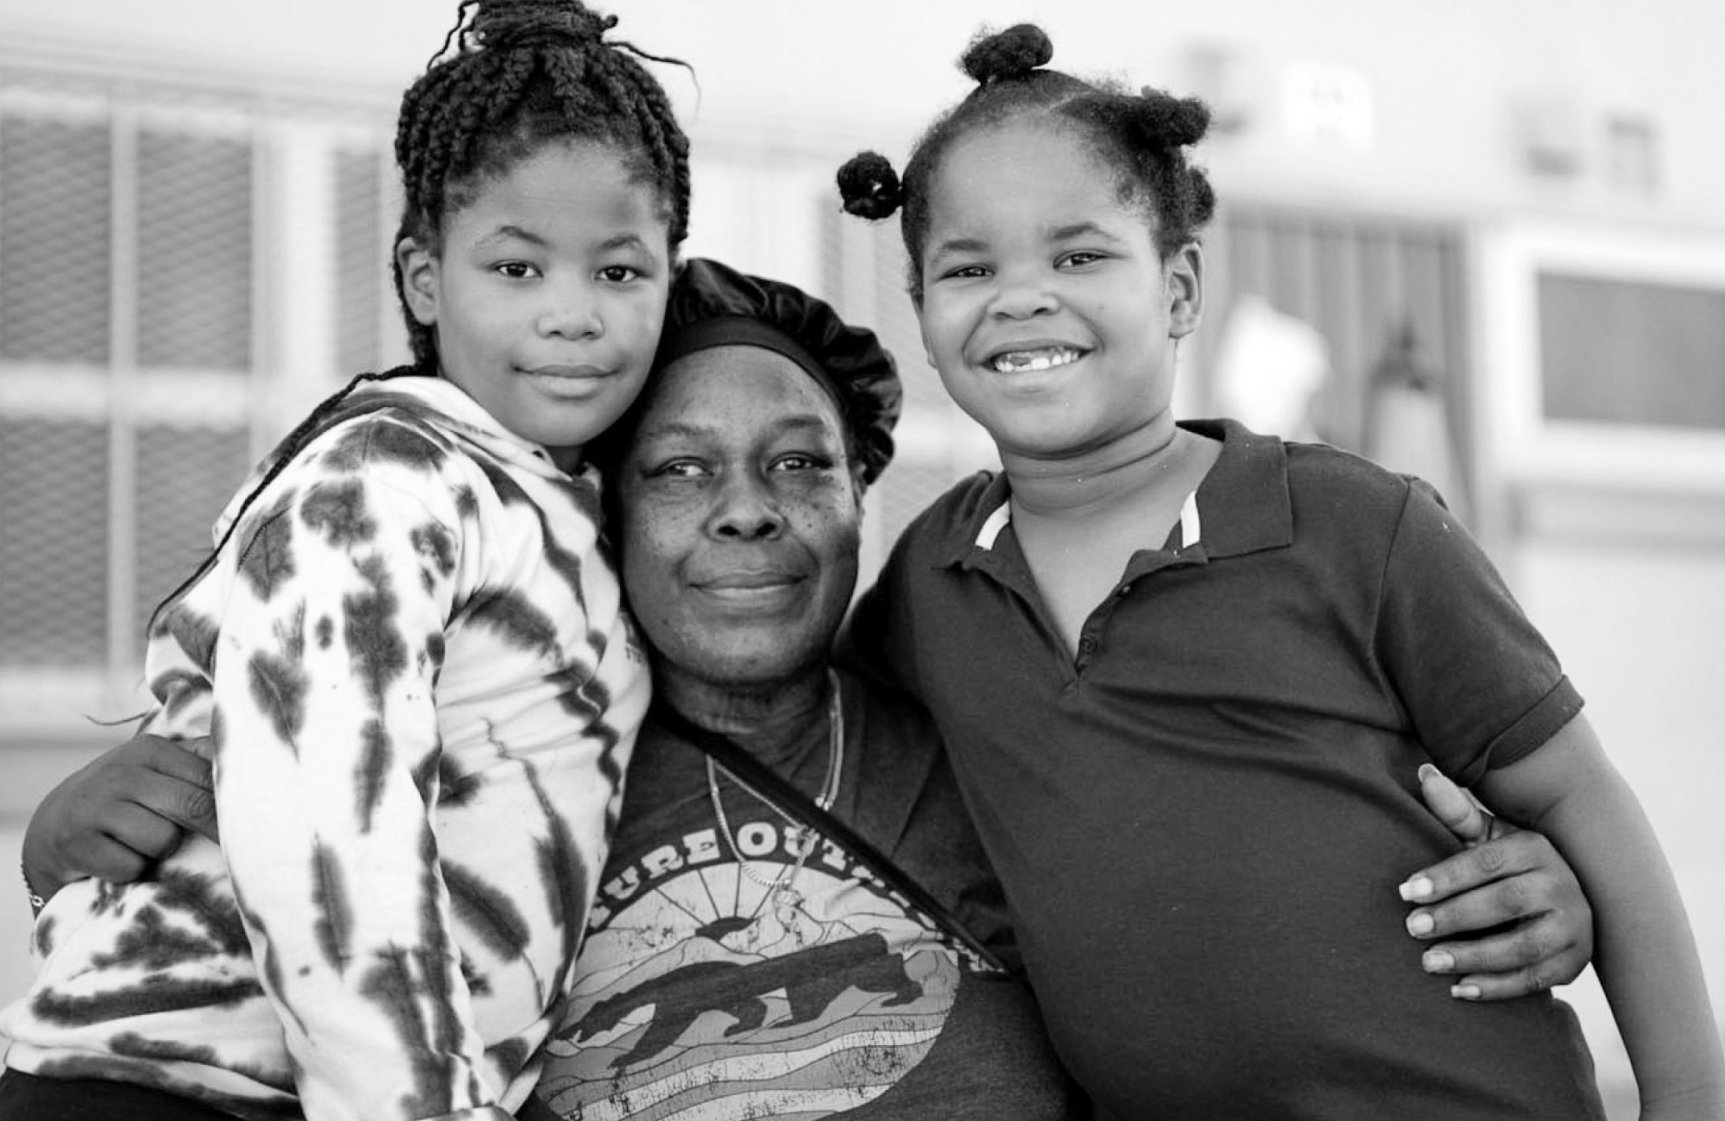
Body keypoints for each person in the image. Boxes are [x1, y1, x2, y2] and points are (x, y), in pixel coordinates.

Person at [19, 262, 1601, 1120]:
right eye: (681, 474)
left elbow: (1236, 860)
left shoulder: (979, 719)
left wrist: (1533, 878)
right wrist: (89, 828)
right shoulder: (488, 768)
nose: (746, 512)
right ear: (598, 519)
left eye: (798, 467)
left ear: (863, 499)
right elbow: (250, 963)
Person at [836, 23, 1725, 1121]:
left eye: (1079, 255)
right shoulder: (932, 580)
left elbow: (1583, 799)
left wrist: (1687, 1099)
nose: (1023, 296)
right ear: (922, 315)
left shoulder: (1353, 525)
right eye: (970, 267)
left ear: (1178, 289)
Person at [0, 1, 685, 1118]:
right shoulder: (382, 480)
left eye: (618, 273)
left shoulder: (563, 502)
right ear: (423, 279)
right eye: (516, 269)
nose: (572, 315)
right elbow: (329, 825)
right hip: (177, 1087)